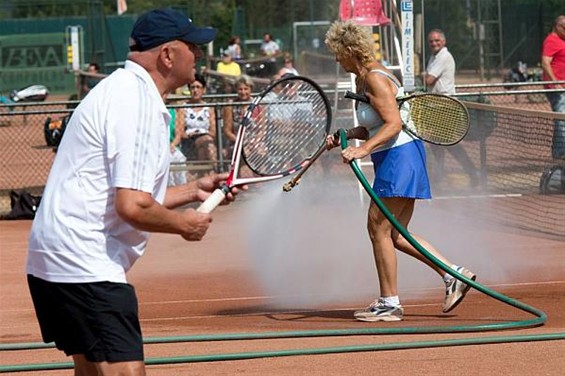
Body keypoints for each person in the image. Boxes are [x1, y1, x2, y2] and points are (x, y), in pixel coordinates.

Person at [26, 9, 244, 375]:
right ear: (167, 55)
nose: (201, 55)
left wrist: (193, 189)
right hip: (86, 262)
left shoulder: (120, 90)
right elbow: (133, 206)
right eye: (194, 46)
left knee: (93, 370)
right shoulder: (138, 103)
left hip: (52, 258)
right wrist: (184, 226)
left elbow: (122, 195)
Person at [324, 20, 476, 322]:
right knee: (392, 234)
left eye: (337, 53)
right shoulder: (363, 79)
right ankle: (454, 274)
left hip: (400, 157)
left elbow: (394, 125)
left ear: (350, 51)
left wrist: (361, 150)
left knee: (377, 227)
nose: (336, 60)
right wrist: (349, 134)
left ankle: (389, 303)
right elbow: (377, 124)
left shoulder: (377, 80)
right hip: (396, 156)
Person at [423, 29, 479, 188]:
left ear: (444, 41)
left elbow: (429, 79)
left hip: (445, 105)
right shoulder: (434, 57)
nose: (434, 43)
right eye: (431, 41)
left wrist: (419, 74)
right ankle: (439, 177)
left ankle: (472, 173)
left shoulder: (443, 57)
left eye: (437, 40)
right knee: (436, 144)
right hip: (436, 105)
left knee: (448, 143)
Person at [177, 73, 218, 164]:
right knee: (208, 145)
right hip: (189, 141)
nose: (195, 90)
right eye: (192, 87)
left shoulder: (209, 108)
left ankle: (208, 171)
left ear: (203, 90)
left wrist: (202, 135)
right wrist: (193, 134)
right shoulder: (183, 108)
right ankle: (217, 169)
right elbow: (180, 132)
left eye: (198, 87)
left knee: (205, 145)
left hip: (206, 140)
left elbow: (213, 132)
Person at [541, 15, 565, 160]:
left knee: (561, 120)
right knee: (562, 120)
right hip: (558, 90)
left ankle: (559, 153)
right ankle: (560, 154)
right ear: (558, 26)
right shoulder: (552, 40)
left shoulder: (562, 41)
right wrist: (555, 81)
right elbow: (545, 62)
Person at [223, 75, 261, 156]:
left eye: (246, 89)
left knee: (260, 152)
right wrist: (241, 142)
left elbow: (261, 129)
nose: (243, 92)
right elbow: (227, 131)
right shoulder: (230, 106)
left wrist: (255, 142)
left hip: (254, 142)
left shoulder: (258, 105)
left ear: (251, 89)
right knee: (244, 152)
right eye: (240, 89)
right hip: (236, 141)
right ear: (236, 90)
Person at [167, 101, 188, 186]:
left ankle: (182, 185)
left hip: (172, 146)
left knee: (179, 158)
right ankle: (170, 187)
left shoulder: (174, 112)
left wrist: (172, 145)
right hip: (159, 147)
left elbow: (178, 135)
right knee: (167, 159)